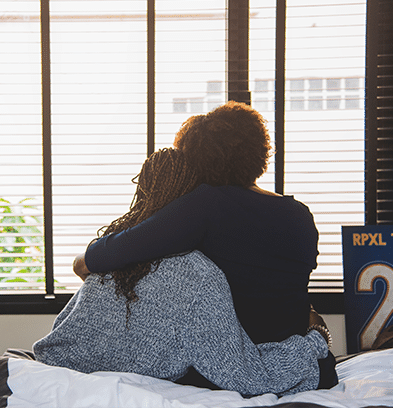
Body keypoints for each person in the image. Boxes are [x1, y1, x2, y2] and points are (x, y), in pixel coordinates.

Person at [72, 101, 338, 389]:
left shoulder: (206, 204)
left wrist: (83, 261)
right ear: (260, 151)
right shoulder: (299, 214)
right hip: (291, 349)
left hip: (220, 364)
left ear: (194, 158)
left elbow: (98, 259)